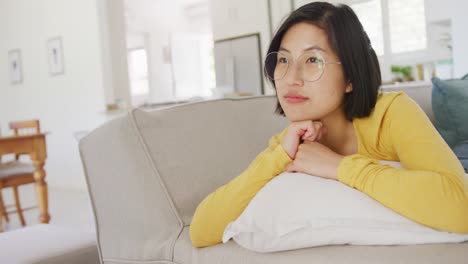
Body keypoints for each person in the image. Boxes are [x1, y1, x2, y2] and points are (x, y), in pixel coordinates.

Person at [190, 2, 468, 248]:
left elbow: (461, 209)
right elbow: (201, 231)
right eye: (283, 59)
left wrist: (339, 167)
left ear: (350, 77)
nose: (291, 77)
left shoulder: (391, 113)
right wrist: (277, 158)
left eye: (312, 60)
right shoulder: (289, 146)